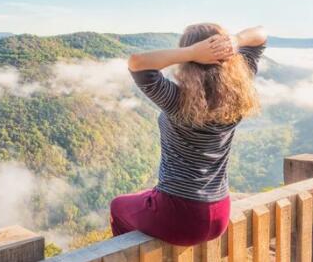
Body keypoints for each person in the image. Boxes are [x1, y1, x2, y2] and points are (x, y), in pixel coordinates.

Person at [110, 23, 267, 246]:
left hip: (181, 215)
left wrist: (192, 52)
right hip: (219, 211)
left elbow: (137, 63)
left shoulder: (177, 102)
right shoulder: (237, 97)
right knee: (146, 195)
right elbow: (260, 35)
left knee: (118, 205)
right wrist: (236, 39)